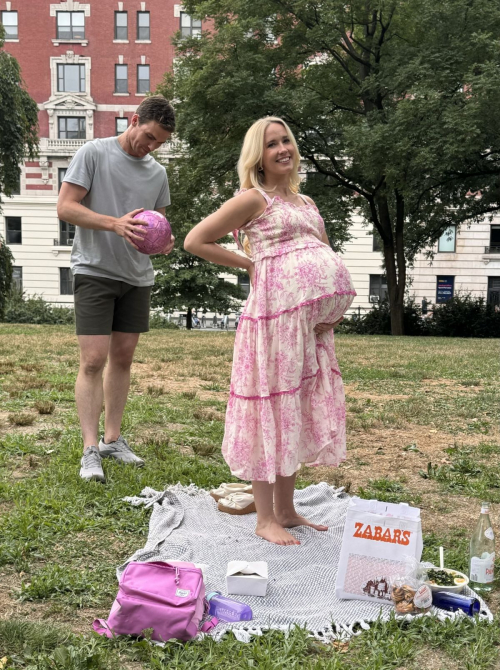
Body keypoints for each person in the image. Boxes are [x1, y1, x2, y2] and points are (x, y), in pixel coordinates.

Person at [184, 116, 356, 545]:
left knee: (293, 407)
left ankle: (286, 510)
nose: (283, 149)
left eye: (287, 141)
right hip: (271, 324)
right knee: (268, 409)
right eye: (272, 144)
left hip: (307, 329)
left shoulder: (307, 203)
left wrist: (330, 306)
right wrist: (250, 264)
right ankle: (264, 518)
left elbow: (321, 253)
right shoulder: (252, 199)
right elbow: (195, 240)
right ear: (257, 157)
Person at [57, 96, 176, 483]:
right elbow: (66, 207)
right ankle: (90, 450)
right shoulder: (94, 153)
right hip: (94, 269)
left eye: (159, 143)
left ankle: (112, 439)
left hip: (136, 276)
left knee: (122, 359)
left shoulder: (157, 174)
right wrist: (114, 224)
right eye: (149, 137)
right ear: (135, 120)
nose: (151, 146)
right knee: (93, 360)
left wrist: (164, 242)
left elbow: (157, 225)